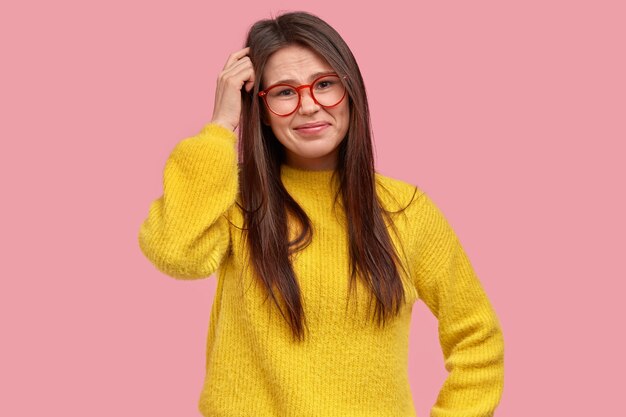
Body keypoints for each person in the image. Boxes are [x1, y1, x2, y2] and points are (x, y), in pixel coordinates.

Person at [138, 11, 504, 417]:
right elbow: (176, 252)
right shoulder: (235, 198)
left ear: (351, 91)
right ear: (258, 107)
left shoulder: (407, 210)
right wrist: (221, 124)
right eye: (283, 92)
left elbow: (477, 336)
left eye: (325, 85)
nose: (309, 106)